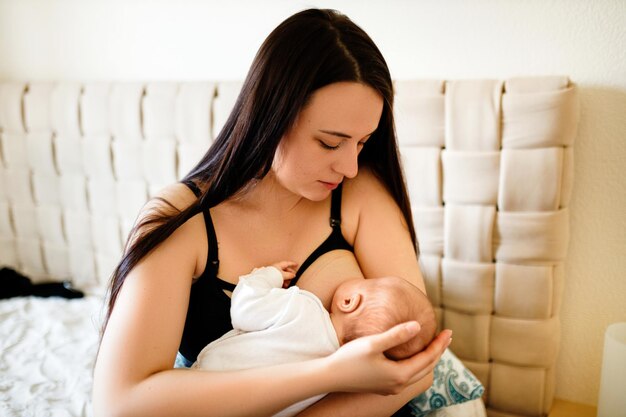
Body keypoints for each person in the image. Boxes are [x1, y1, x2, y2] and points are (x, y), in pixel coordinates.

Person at [93, 8, 452, 417]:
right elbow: (120, 403)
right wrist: (328, 374)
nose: (350, 166)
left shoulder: (357, 195)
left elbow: (418, 364)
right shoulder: (183, 220)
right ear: (271, 116)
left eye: (363, 142)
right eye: (330, 143)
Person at [192, 262, 438, 417]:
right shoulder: (341, 386)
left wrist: (269, 276)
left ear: (349, 302)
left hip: (206, 388)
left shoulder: (303, 309)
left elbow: (245, 309)